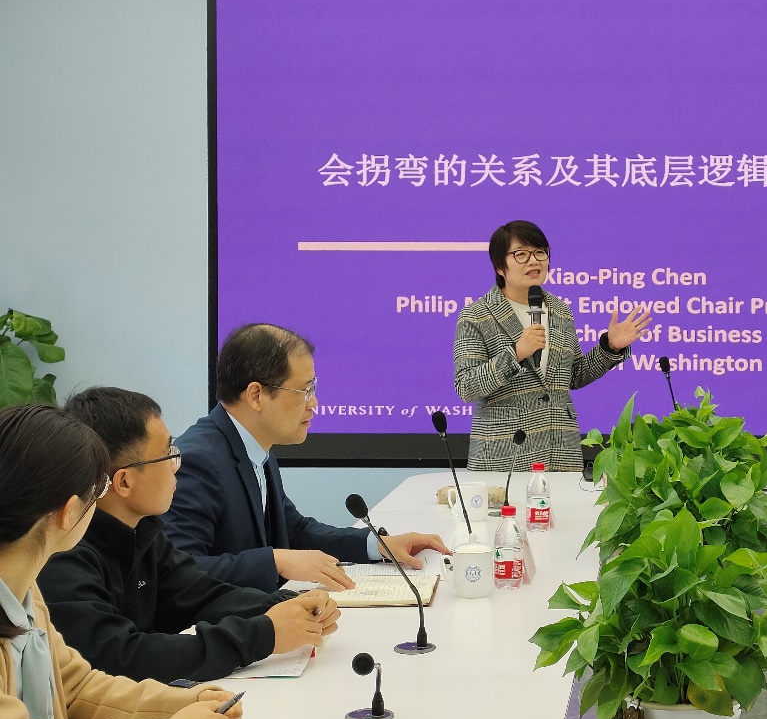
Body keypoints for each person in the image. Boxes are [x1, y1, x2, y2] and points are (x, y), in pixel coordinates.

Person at [0, 403, 242, 719]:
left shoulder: (24, 588)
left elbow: (76, 688)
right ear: (68, 512)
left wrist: (183, 702)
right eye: (97, 490)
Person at [40, 387, 341, 683]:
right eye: (166, 456)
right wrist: (263, 635)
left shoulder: (141, 531)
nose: (176, 468)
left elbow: (199, 595)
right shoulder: (62, 555)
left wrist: (287, 605)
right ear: (124, 482)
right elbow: (124, 656)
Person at [164, 323, 450, 592]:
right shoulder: (198, 461)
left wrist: (379, 545)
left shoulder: (253, 447)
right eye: (304, 390)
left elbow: (294, 530)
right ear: (256, 395)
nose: (313, 403)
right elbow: (180, 572)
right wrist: (276, 561)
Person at [454, 220, 652, 472]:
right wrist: (516, 353)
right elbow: (466, 387)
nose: (534, 261)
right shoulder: (476, 316)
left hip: (560, 451)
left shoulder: (560, 311)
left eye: (540, 252)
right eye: (521, 254)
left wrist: (609, 348)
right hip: (504, 456)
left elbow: (574, 376)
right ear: (500, 266)